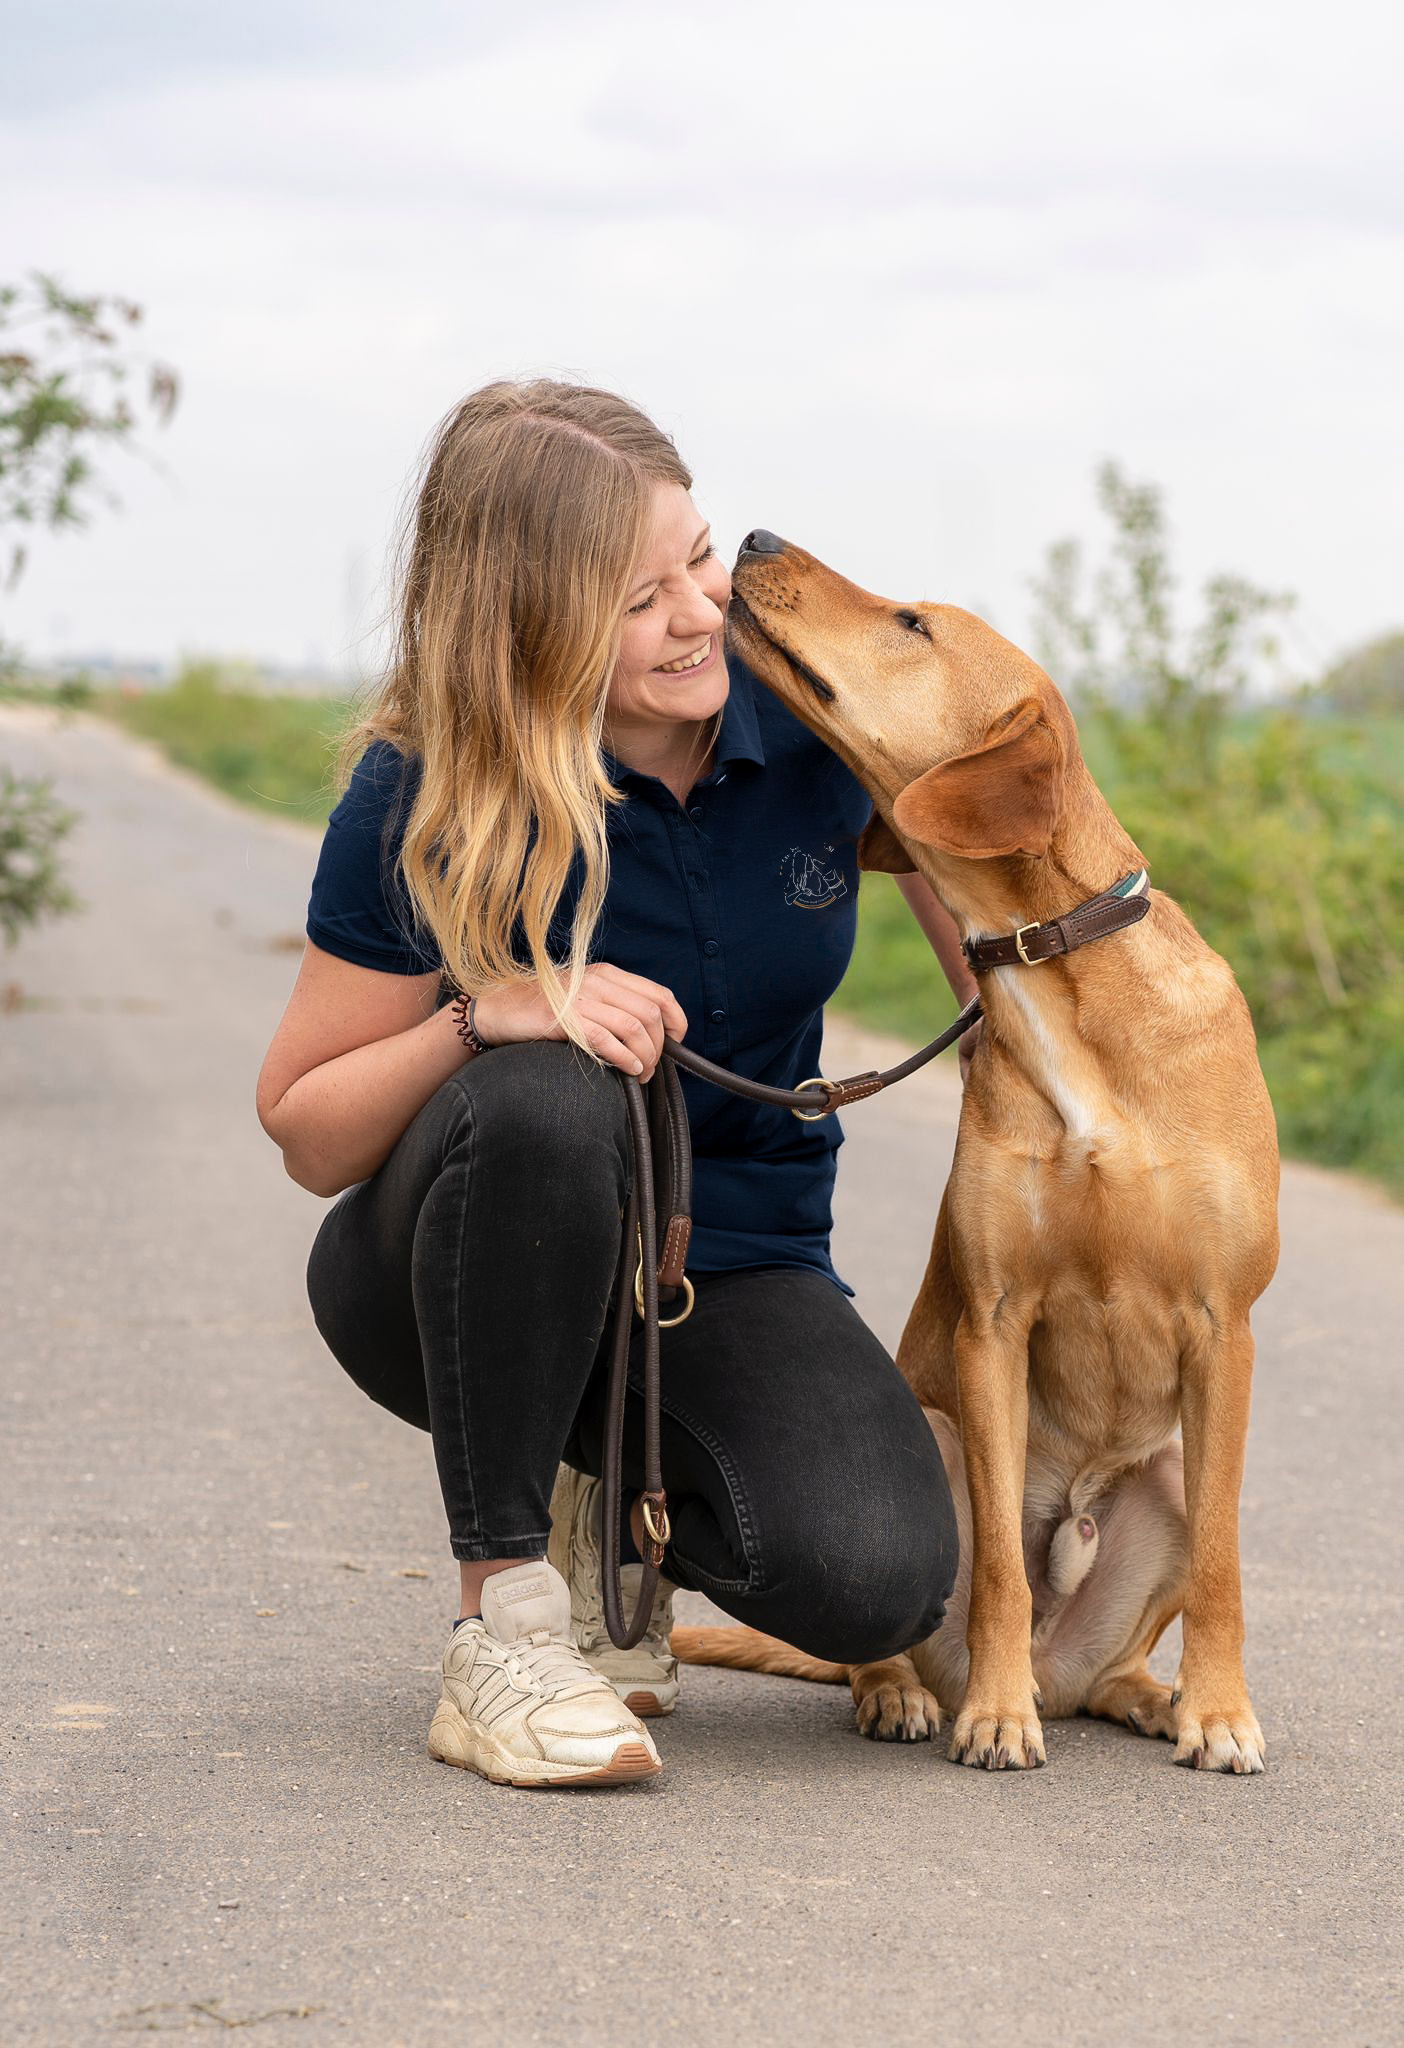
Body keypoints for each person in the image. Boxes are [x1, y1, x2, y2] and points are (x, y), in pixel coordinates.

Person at [255, 378, 976, 1790]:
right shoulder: (425, 789)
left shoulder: (817, 719)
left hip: (731, 1265)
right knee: (548, 1086)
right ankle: (502, 1626)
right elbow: (306, 1132)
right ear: (526, 622)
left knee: (880, 1582)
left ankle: (611, 1494)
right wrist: (493, 1013)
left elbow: (987, 898)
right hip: (448, 1274)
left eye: (698, 557)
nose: (704, 613)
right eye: (639, 600)